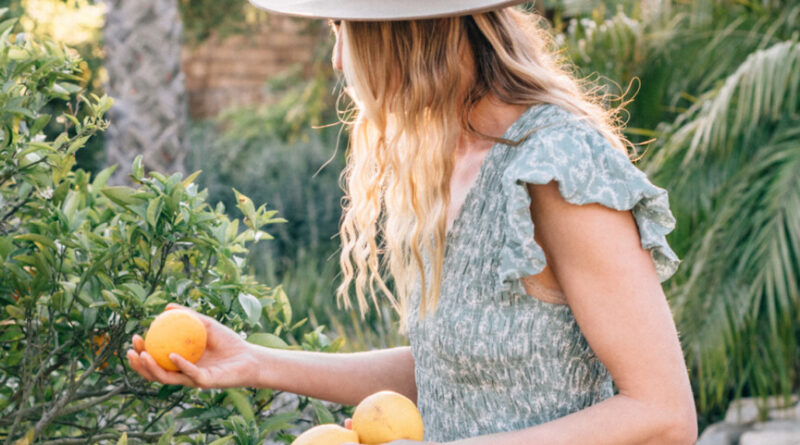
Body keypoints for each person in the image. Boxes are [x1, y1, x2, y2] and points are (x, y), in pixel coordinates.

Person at [127, 1, 698, 443]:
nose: (337, 60)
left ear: (403, 33)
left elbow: (663, 416)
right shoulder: (447, 163)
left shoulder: (557, 164)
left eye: (341, 31)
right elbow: (448, 374)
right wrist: (254, 361)